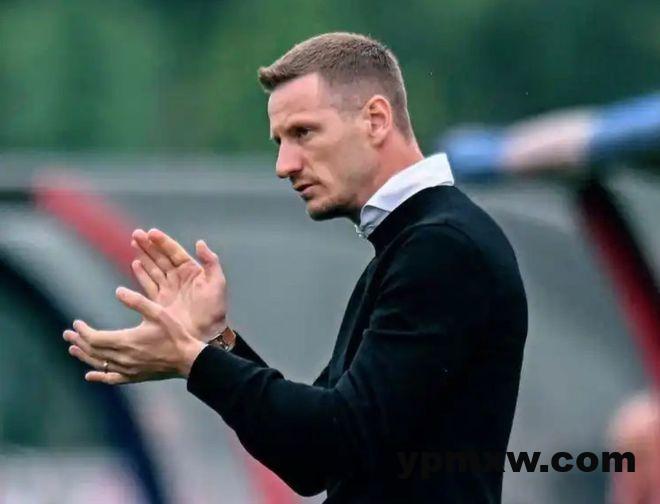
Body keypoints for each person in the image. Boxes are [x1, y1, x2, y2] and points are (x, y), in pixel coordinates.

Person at [63, 32, 528, 503]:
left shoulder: (440, 247)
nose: (284, 165)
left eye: (303, 133)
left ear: (376, 119)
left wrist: (193, 360)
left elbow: (334, 440)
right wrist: (215, 339)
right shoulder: (416, 243)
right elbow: (310, 457)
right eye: (279, 141)